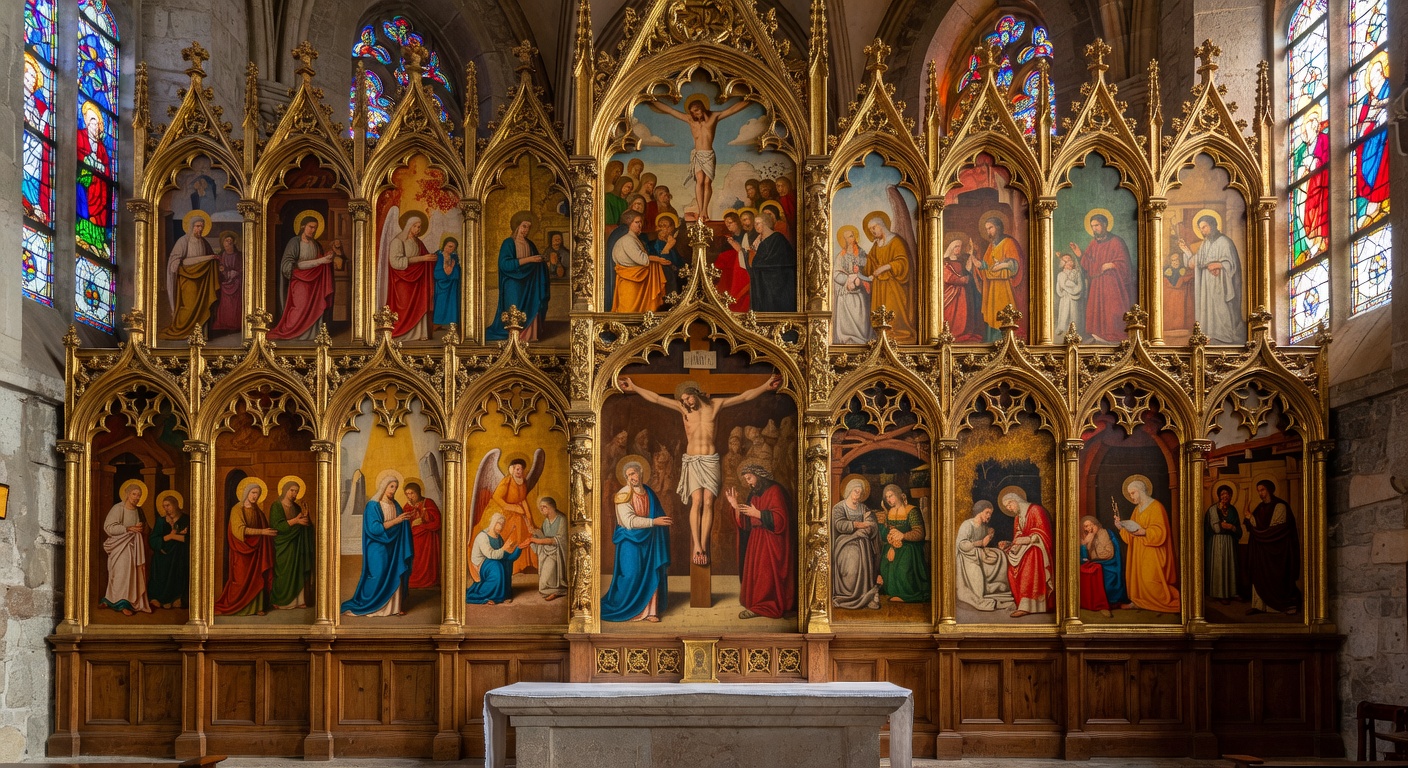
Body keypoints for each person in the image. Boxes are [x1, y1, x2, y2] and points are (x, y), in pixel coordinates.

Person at [619, 374, 781, 566]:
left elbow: (744, 397)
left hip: (710, 461)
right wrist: (634, 387)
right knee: (696, 501)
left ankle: (704, 544)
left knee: (708, 502)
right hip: (693, 461)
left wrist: (765, 386)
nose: (687, 403)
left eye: (688, 398)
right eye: (683, 401)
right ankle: (697, 545)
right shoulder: (683, 409)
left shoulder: (715, 405)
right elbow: (656, 398)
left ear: (695, 393)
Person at [648, 93, 750, 221]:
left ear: (702, 107)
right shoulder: (690, 120)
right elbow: (670, 110)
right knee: (700, 181)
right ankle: (700, 209)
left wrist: (749, 100)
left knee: (707, 182)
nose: (694, 115)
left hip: (709, 154)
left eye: (696, 111)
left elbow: (732, 110)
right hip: (697, 154)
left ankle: (704, 210)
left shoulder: (714, 117)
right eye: (692, 112)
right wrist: (652, 101)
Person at [600, 459, 672, 622]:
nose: (631, 477)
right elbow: (629, 522)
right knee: (631, 575)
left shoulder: (649, 492)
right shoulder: (623, 495)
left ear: (640, 472)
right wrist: (654, 522)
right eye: (628, 475)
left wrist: (660, 522)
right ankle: (625, 607)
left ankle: (651, 611)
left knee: (652, 572)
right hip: (630, 540)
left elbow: (658, 513)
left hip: (650, 540)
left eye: (633, 473)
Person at [726, 464, 796, 619]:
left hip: (772, 541)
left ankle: (764, 606)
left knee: (765, 574)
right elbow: (746, 523)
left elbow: (780, 521)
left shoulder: (775, 491)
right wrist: (735, 505)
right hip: (757, 541)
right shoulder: (754, 493)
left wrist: (758, 513)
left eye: (749, 478)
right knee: (758, 574)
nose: (749, 482)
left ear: (758, 475)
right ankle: (756, 604)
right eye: (746, 480)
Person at [341, 474, 416, 617]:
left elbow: (402, 524)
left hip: (394, 546)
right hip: (377, 546)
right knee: (377, 574)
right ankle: (370, 605)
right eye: (391, 486)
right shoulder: (372, 505)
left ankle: (394, 607)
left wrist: (405, 520)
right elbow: (374, 529)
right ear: (384, 486)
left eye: (396, 487)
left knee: (395, 573)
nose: (393, 490)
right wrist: (396, 521)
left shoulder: (396, 505)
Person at [1114, 477, 1181, 614]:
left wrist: (1145, 531)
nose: (1131, 497)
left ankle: (1166, 602)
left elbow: (1161, 532)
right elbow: (1131, 535)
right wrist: (1121, 527)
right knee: (1138, 579)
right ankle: (1138, 602)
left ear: (1141, 491)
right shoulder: (1137, 510)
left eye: (1133, 493)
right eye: (1130, 494)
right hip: (1138, 551)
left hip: (1153, 551)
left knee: (1150, 580)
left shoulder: (1156, 507)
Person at [269, 216, 340, 340]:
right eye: (311, 227)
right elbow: (288, 264)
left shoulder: (316, 244)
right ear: (303, 227)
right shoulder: (294, 242)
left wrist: (327, 257)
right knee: (299, 307)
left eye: (315, 228)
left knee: (315, 307)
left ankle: (310, 335)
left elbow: (320, 263)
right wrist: (321, 260)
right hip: (299, 281)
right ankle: (292, 332)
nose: (313, 230)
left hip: (315, 282)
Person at [1070, 213, 1135, 343]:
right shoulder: (1093, 243)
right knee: (1097, 309)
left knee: (1113, 309)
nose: (1095, 228)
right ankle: (1099, 334)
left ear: (1105, 225)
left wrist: (1112, 264)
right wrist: (1079, 254)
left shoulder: (1117, 241)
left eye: (1097, 225)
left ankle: (1113, 334)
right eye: (1092, 226)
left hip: (1113, 284)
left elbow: (1126, 264)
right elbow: (1089, 263)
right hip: (1097, 284)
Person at [215, 479, 276, 616]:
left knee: (257, 577)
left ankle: (258, 607)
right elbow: (239, 530)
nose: (255, 496)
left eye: (258, 494)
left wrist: (266, 533)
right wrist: (262, 532)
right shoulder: (237, 509)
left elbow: (264, 528)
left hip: (257, 551)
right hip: (241, 550)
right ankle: (238, 607)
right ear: (247, 492)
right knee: (241, 580)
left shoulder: (257, 511)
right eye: (253, 492)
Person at [486, 212, 550, 341]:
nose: (526, 230)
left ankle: (527, 336)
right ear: (517, 227)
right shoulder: (508, 243)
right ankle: (513, 336)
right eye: (524, 226)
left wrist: (541, 261)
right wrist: (530, 259)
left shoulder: (530, 244)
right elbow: (504, 264)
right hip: (512, 282)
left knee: (532, 305)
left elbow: (535, 264)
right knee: (514, 309)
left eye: (528, 227)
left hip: (529, 282)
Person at [1182, 215, 1245, 344]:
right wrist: (1186, 251)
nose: (1202, 231)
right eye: (1200, 228)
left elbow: (1232, 263)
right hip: (1206, 284)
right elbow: (1194, 263)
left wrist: (1218, 264)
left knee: (1221, 307)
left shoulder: (1224, 242)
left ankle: (1225, 334)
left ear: (1213, 225)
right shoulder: (1205, 244)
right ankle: (1209, 334)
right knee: (1208, 307)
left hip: (1221, 283)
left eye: (1204, 227)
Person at [1245, 480, 1302, 615]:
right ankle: (1260, 606)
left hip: (1277, 550)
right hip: (1261, 550)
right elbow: (1256, 526)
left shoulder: (1280, 506)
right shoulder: (1260, 507)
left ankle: (1284, 606)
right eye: (1259, 490)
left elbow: (1277, 530)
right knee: (1259, 574)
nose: (1261, 493)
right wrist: (1249, 517)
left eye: (1263, 490)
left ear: (1270, 490)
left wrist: (1253, 522)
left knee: (1277, 576)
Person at [161, 212, 221, 340]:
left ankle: (199, 333)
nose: (200, 229)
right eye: (197, 226)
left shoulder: (204, 243)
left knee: (203, 306)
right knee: (188, 306)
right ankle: (184, 330)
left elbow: (211, 260)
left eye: (202, 226)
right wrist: (176, 263)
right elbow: (175, 260)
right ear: (191, 226)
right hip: (187, 279)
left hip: (202, 280)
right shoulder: (183, 241)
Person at [476, 456, 540, 575]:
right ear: (512, 470)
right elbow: (497, 497)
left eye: (521, 469)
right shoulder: (507, 481)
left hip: (518, 513)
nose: (519, 471)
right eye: (517, 469)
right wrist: (513, 507)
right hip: (505, 512)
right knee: (512, 535)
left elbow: (523, 499)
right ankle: (513, 566)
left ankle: (525, 564)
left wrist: (529, 517)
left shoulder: (523, 482)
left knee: (526, 532)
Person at [969, 217, 1025, 341]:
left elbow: (1015, 266)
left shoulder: (1008, 242)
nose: (988, 232)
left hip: (1005, 288)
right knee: (993, 314)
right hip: (992, 289)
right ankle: (991, 341)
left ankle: (1005, 341)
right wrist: (979, 264)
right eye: (987, 229)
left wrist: (1002, 265)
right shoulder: (992, 246)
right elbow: (987, 265)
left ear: (998, 227)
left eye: (990, 228)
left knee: (1004, 315)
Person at [998, 490, 1053, 617]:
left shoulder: (1036, 510)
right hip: (1024, 548)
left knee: (1030, 556)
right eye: (1007, 507)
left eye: (1009, 505)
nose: (1009, 509)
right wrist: (1009, 544)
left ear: (1015, 500)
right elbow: (1018, 534)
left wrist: (1029, 539)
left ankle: (1029, 606)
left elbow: (1044, 534)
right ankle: (1021, 603)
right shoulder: (1018, 516)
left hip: (1038, 547)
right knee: (1011, 566)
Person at [101, 481, 152, 615]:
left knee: (132, 576)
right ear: (128, 494)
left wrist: (142, 528)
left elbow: (146, 528)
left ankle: (127, 602)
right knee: (120, 574)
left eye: (139, 495)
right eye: (134, 494)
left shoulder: (139, 511)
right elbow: (109, 527)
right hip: (120, 545)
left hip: (135, 546)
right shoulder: (118, 508)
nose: (137, 497)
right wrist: (128, 528)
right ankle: (119, 602)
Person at [863, 212, 915, 342]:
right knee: (879, 314)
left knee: (895, 313)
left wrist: (885, 267)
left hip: (893, 285)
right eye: (870, 230)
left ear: (881, 225)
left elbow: (903, 262)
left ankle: (897, 335)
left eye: (874, 228)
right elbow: (870, 264)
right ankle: (882, 337)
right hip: (879, 286)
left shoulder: (896, 241)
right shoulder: (877, 244)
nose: (872, 232)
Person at [832, 477, 881, 610]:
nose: (857, 495)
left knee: (864, 556)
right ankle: (847, 595)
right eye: (855, 491)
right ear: (848, 491)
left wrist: (867, 529)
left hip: (863, 542)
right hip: (845, 542)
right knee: (852, 563)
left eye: (860, 492)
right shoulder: (839, 507)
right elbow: (839, 525)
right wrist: (859, 525)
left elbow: (872, 524)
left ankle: (865, 596)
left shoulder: (863, 507)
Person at [386, 210, 436, 340]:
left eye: (419, 226)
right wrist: (422, 259)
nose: (418, 229)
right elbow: (395, 262)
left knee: (419, 305)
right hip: (402, 281)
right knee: (403, 307)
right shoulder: (398, 242)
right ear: (409, 226)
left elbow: (426, 258)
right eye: (415, 226)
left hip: (418, 280)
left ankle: (420, 334)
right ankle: (403, 334)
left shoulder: (419, 243)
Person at [956, 500, 1014, 612]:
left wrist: (990, 534)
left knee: (1000, 555)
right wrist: (981, 543)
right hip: (967, 559)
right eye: (987, 512)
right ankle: (991, 597)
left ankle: (997, 587)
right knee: (977, 588)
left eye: (990, 514)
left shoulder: (983, 527)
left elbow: (984, 542)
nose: (989, 516)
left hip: (978, 556)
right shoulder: (967, 524)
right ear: (979, 511)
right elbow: (962, 545)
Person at [876, 484, 928, 603]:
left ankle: (905, 594)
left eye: (891, 496)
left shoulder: (912, 510)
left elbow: (920, 533)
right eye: (887, 497)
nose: (889, 499)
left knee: (903, 566)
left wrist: (903, 536)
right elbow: (890, 531)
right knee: (885, 562)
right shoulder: (890, 512)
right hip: (894, 545)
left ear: (899, 495)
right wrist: (891, 542)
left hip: (911, 546)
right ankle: (891, 591)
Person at [1290, 108, 1329, 265]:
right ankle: (1310, 247)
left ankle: (1319, 244)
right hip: (1303, 191)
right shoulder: (1300, 150)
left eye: (1314, 121)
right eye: (1309, 121)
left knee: (1317, 216)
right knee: (1301, 214)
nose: (1313, 125)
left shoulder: (1324, 140)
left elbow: (1326, 163)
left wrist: (1315, 163)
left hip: (1319, 188)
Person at [268, 478, 314, 610]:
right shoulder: (276, 506)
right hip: (283, 545)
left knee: (297, 571)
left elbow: (306, 526)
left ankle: (299, 601)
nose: (294, 494)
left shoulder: (297, 507)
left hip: (297, 544)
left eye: (297, 491)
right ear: (285, 490)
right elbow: (277, 526)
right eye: (292, 490)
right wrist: (296, 521)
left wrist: (306, 517)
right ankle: (279, 601)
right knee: (283, 572)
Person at [610, 210, 669, 312]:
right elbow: (642, 259)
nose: (640, 225)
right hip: (630, 280)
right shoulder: (627, 240)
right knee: (628, 310)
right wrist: (657, 259)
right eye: (637, 222)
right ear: (629, 223)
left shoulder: (633, 239)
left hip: (634, 279)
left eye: (641, 222)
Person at [465, 513, 522, 605]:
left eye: (503, 525)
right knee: (497, 566)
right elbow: (491, 554)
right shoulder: (483, 537)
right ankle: (491, 596)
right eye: (500, 524)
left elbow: (503, 554)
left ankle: (504, 595)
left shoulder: (498, 537)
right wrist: (504, 548)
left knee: (507, 562)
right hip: (480, 564)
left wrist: (519, 548)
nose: (502, 527)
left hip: (491, 561)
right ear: (494, 523)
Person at [748, 210, 797, 312]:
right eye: (755, 224)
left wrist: (759, 265)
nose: (755, 226)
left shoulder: (778, 238)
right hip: (765, 282)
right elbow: (756, 263)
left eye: (758, 223)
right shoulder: (762, 242)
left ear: (765, 223)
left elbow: (782, 261)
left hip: (779, 283)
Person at [148, 490, 190, 610]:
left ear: (176, 504)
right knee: (160, 571)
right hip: (163, 555)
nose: (166, 509)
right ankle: (159, 598)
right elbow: (153, 539)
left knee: (179, 574)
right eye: (164, 506)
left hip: (179, 555)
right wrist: (171, 537)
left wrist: (173, 536)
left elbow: (190, 539)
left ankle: (176, 598)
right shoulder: (161, 521)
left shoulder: (186, 519)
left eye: (168, 505)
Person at [832, 225, 873, 344]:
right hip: (847, 294)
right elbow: (836, 274)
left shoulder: (863, 254)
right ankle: (848, 338)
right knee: (847, 321)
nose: (851, 239)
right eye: (848, 237)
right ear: (844, 240)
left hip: (861, 293)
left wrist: (860, 279)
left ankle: (864, 339)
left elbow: (869, 271)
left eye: (852, 235)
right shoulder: (840, 256)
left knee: (862, 319)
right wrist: (848, 279)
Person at [1079, 515, 1125, 617]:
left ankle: (1103, 604)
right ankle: (1092, 603)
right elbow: (1085, 557)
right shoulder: (1090, 536)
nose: (1089, 528)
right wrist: (1086, 544)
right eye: (1085, 526)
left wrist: (1093, 557)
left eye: (1090, 525)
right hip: (1099, 562)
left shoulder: (1103, 533)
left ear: (1095, 524)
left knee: (1096, 570)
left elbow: (1109, 553)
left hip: (1110, 563)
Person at [942, 234, 983, 342]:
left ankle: (964, 332)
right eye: (956, 246)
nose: (958, 249)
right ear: (951, 247)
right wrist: (961, 280)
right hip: (952, 293)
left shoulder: (962, 260)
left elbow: (968, 270)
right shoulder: (945, 261)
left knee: (964, 312)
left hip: (963, 293)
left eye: (960, 246)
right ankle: (953, 332)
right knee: (952, 312)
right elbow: (947, 276)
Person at [404, 481, 442, 589]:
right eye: (407, 494)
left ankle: (429, 581)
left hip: (428, 540)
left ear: (418, 492)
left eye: (412, 493)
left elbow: (437, 522)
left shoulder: (428, 502)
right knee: (415, 561)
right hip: (414, 540)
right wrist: (412, 522)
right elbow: (403, 523)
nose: (409, 496)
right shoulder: (407, 506)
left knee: (427, 562)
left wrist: (423, 521)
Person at [529, 497, 568, 601]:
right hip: (546, 552)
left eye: (544, 507)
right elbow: (543, 536)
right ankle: (554, 590)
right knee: (543, 582)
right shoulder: (546, 522)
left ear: (551, 507)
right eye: (540, 507)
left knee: (543, 582)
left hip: (557, 554)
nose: (542, 510)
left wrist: (537, 541)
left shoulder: (562, 519)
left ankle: (559, 591)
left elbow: (557, 540)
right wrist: (535, 533)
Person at [714, 211, 751, 312]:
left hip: (742, 264)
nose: (728, 226)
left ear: (737, 222)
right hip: (732, 264)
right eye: (726, 224)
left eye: (730, 223)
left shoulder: (746, 235)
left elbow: (745, 251)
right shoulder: (729, 237)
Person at [211, 231, 244, 332]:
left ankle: (236, 325)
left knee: (235, 305)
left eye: (230, 240)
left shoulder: (239, 255)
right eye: (226, 241)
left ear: (234, 242)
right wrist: (223, 271)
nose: (228, 243)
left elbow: (243, 268)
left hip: (236, 284)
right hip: (224, 284)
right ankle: (224, 324)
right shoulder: (221, 255)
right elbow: (219, 269)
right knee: (225, 305)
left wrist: (236, 273)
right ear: (223, 243)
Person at [650, 213, 686, 297]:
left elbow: (680, 263)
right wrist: (667, 247)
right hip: (661, 278)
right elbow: (664, 261)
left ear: (672, 228)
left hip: (677, 278)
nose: (662, 229)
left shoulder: (678, 244)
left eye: (665, 226)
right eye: (660, 225)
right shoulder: (652, 244)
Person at [1162, 240, 1195, 333]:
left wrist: (1182, 280)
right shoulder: (1167, 271)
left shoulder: (1183, 270)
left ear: (1179, 261)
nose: (1175, 262)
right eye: (1173, 260)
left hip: (1181, 294)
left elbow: (1189, 275)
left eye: (1176, 260)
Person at [1055, 251, 1086, 338]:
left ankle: (1076, 330)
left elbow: (1080, 286)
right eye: (1066, 260)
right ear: (1063, 264)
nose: (1069, 262)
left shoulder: (1077, 273)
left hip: (1075, 297)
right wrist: (1067, 286)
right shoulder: (1061, 274)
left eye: (1070, 259)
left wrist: (1073, 289)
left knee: (1075, 313)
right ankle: (1063, 328)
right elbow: (1060, 287)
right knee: (1065, 312)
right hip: (1065, 298)